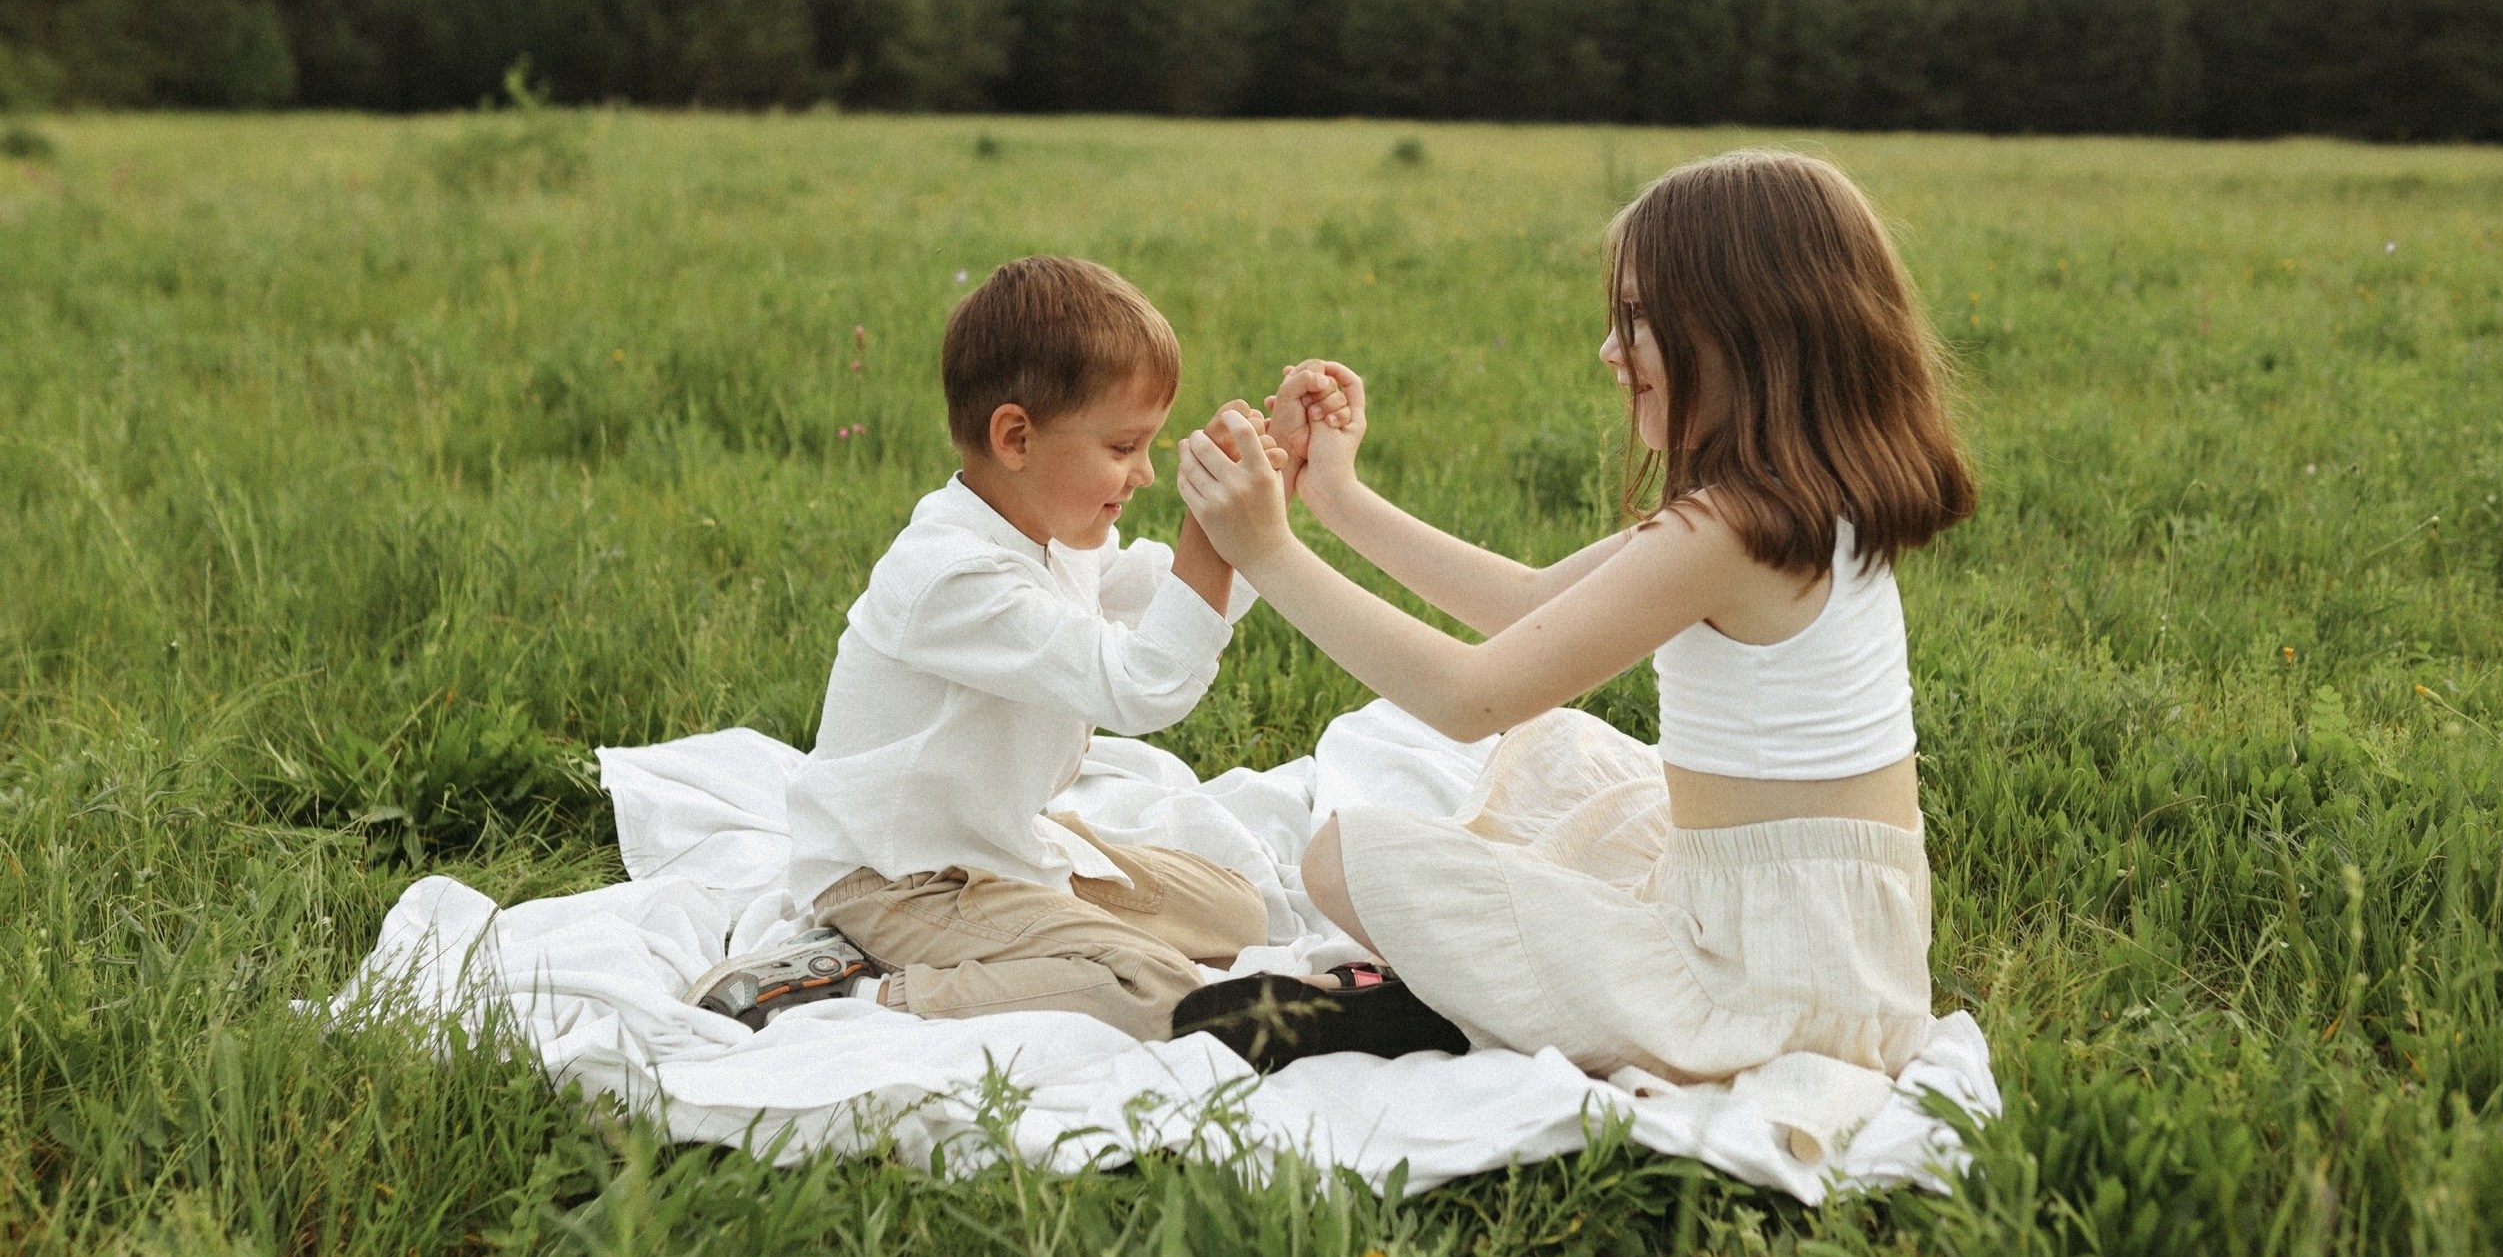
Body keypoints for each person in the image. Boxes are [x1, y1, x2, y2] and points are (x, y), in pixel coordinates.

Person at [1171, 150, 1977, 1108]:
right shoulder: (1806, 494)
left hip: (1764, 988)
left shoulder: (1731, 529)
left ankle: (1444, 1002)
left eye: (1639, 319)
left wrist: (1265, 553)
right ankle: (1475, 989)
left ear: (1746, 328)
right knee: (1550, 755)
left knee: (1344, 858)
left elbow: (1464, 700)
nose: (1609, 350)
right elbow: (1530, 605)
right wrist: (1335, 496)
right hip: (1834, 940)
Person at [689, 255, 1301, 1040]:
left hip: (1000, 851)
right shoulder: (953, 578)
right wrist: (1211, 533)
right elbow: (1146, 686)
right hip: (899, 885)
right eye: (1123, 447)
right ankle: (854, 993)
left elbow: (1160, 594)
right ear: (1015, 437)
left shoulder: (1050, 534)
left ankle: (1028, 934)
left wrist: (1257, 509)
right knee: (1156, 986)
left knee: (1239, 911)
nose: (1145, 473)